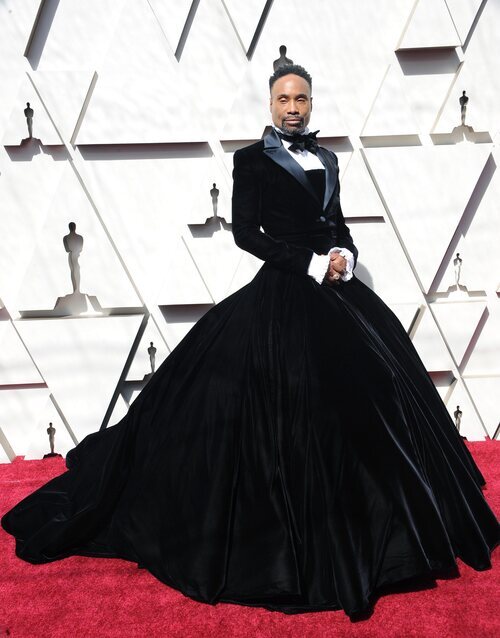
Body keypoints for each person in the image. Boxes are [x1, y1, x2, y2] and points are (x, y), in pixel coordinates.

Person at [2, 65, 499, 620]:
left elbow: (338, 224)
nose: (293, 106)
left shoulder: (330, 159)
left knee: (377, 396)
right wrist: (311, 264)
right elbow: (246, 234)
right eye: (284, 98)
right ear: (270, 104)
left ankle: (394, 533)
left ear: (312, 103)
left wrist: (345, 256)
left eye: (302, 98)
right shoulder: (250, 160)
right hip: (284, 292)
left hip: (339, 293)